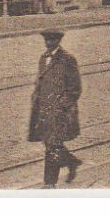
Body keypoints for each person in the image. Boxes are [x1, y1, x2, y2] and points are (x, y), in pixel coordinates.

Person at [29, 30, 83, 187]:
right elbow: (40, 82)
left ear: (59, 40)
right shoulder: (43, 58)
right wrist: (35, 98)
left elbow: (75, 88)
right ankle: (71, 162)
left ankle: (49, 184)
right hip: (44, 111)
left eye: (52, 39)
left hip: (60, 112)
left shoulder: (67, 59)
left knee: (52, 146)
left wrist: (62, 106)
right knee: (51, 144)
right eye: (47, 39)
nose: (49, 42)